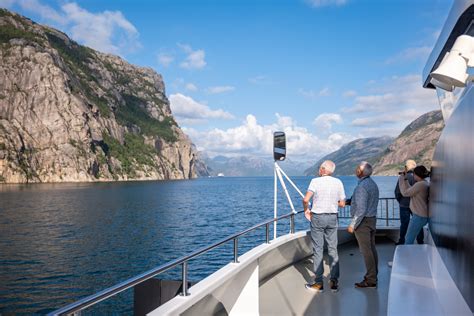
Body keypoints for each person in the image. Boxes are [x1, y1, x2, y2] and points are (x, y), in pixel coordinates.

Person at [303, 160, 346, 293]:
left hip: (318, 217)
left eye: (319, 168)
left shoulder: (315, 181)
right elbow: (342, 204)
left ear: (322, 169)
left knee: (318, 249)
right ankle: (334, 282)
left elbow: (306, 199)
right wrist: (331, 202)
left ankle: (318, 283)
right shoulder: (338, 182)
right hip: (333, 217)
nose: (318, 170)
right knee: (333, 249)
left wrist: (306, 210)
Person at [347, 161, 379, 288]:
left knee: (366, 251)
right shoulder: (372, 184)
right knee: (371, 249)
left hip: (363, 223)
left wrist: (352, 224)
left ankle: (371, 280)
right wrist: (349, 202)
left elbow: (361, 209)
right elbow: (363, 202)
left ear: (360, 172)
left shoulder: (361, 187)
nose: (356, 170)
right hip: (371, 220)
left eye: (357, 169)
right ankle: (374, 274)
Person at [398, 165, 430, 244]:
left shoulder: (420, 184)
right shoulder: (424, 183)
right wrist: (405, 179)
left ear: (416, 174)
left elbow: (405, 193)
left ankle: (407, 256)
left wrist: (401, 179)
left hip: (419, 216)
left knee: (408, 238)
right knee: (410, 237)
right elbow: (410, 190)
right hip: (422, 215)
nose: (413, 175)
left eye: (414, 174)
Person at [394, 160, 424, 245]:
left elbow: (397, 192)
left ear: (406, 167)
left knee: (404, 224)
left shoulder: (402, 177)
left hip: (404, 205)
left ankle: (401, 241)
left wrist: (400, 201)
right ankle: (420, 241)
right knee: (418, 223)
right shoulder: (418, 178)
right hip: (416, 205)